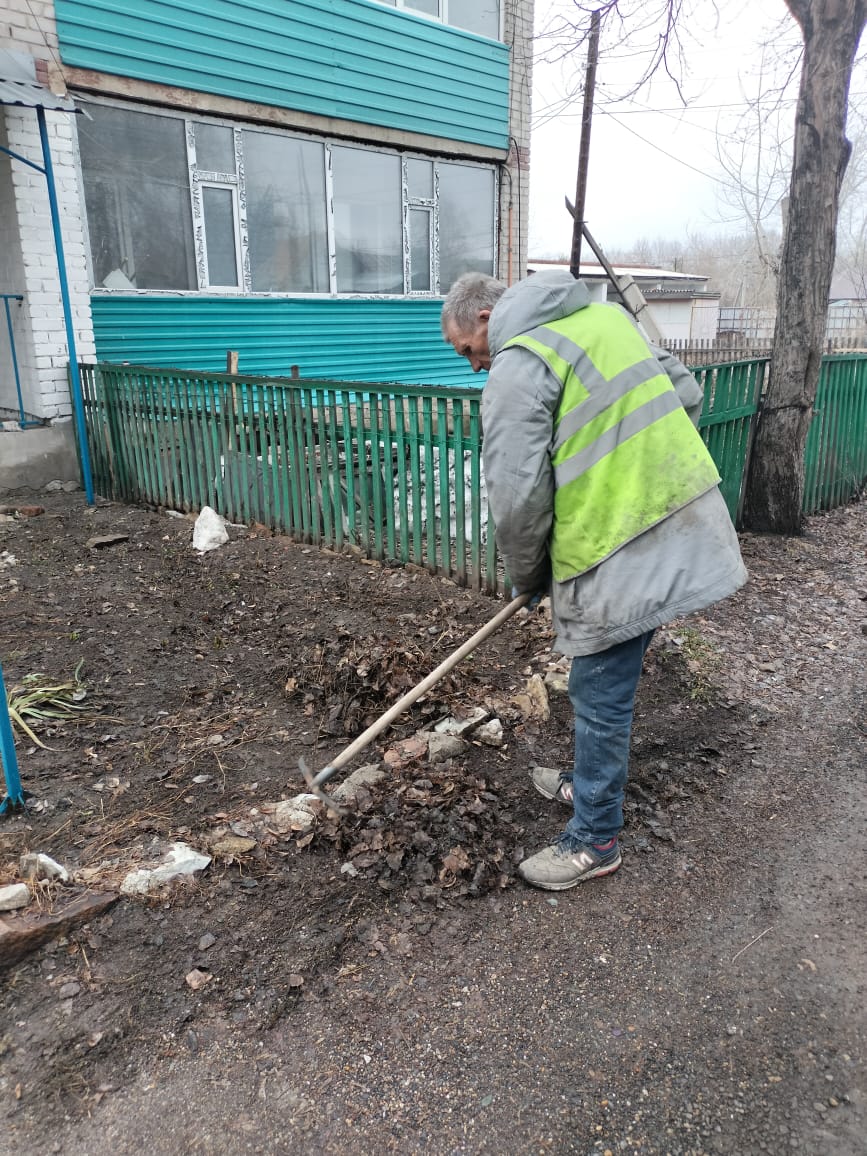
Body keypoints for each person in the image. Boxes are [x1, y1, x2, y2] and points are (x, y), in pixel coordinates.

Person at [441, 268, 747, 891]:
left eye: (469, 353)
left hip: (615, 545)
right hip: (675, 528)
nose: (475, 366)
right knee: (603, 680)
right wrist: (634, 467)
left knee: (599, 692)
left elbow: (518, 497)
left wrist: (526, 576)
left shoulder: (519, 364)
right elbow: (685, 394)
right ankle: (589, 786)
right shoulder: (606, 321)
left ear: (483, 319)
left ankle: (594, 839)